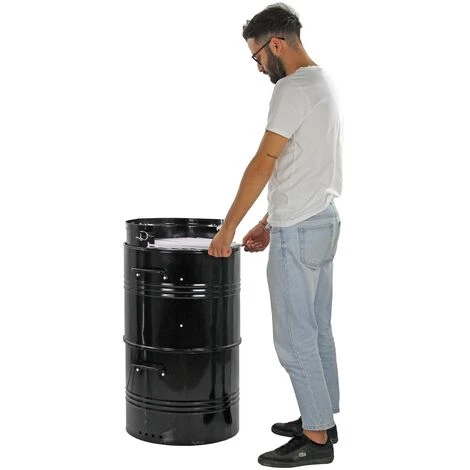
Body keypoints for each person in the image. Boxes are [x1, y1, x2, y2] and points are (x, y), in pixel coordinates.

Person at [208, 3, 343, 466]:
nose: (258, 66)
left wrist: (227, 228)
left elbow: (264, 164)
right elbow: (304, 168)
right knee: (317, 330)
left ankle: (316, 440)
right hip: (322, 220)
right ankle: (322, 418)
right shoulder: (322, 83)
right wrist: (267, 223)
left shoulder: (292, 88)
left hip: (299, 232)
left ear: (277, 44)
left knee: (294, 339)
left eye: (258, 56)